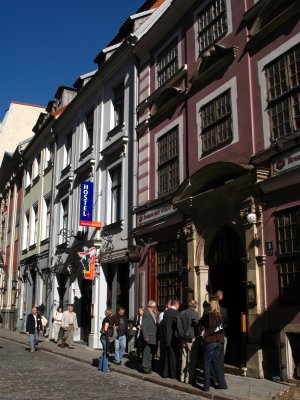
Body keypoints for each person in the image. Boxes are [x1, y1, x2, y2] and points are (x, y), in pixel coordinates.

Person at [199, 297, 228, 392]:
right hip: (219, 341)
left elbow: (200, 323)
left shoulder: (207, 315)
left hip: (210, 340)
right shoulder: (222, 314)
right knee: (217, 363)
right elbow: (226, 325)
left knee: (207, 364)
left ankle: (206, 386)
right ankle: (222, 384)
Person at [177, 300, 200, 384]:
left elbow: (178, 326)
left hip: (183, 338)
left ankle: (182, 377)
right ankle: (189, 378)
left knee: (184, 357)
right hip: (191, 338)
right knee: (191, 359)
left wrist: (182, 335)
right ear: (195, 306)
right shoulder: (195, 313)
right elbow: (196, 324)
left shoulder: (182, 313)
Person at [161, 299, 180, 379]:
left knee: (166, 356)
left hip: (165, 337)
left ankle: (165, 373)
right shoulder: (175, 313)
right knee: (173, 357)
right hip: (173, 338)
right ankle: (173, 374)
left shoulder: (165, 312)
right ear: (176, 305)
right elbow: (177, 326)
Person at [141, 300, 158, 374]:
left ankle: (148, 366)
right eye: (155, 307)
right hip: (149, 336)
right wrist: (145, 336)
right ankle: (145, 367)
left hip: (152, 336)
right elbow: (143, 326)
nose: (155, 308)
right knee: (147, 352)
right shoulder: (146, 313)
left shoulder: (151, 313)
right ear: (152, 307)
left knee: (150, 352)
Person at [98, 308, 113, 373]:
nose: (112, 313)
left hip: (103, 338)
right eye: (111, 312)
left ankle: (100, 367)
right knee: (106, 353)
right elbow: (106, 329)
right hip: (105, 338)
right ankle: (105, 369)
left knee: (104, 352)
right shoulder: (107, 320)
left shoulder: (106, 319)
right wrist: (108, 338)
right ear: (110, 313)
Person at [215, 290, 229, 355]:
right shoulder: (223, 310)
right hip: (220, 335)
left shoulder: (223, 310)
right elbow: (226, 323)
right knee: (220, 355)